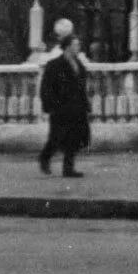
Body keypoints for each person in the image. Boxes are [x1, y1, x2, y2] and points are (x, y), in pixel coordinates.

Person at [37, 22, 91, 178]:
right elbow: (46, 87)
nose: (78, 47)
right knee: (56, 138)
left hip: (77, 108)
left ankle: (68, 168)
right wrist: (49, 106)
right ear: (67, 46)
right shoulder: (54, 65)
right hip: (61, 107)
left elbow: (81, 86)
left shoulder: (79, 64)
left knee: (75, 139)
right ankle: (44, 157)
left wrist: (85, 104)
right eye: (75, 44)